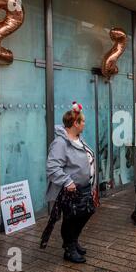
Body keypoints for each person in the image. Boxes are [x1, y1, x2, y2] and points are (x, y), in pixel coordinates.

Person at [45, 102, 97, 263]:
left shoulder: (78, 139)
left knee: (86, 212)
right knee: (72, 218)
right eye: (82, 122)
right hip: (72, 190)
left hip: (85, 187)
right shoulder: (60, 143)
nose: (84, 124)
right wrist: (67, 181)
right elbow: (52, 167)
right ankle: (69, 248)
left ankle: (73, 241)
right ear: (75, 123)